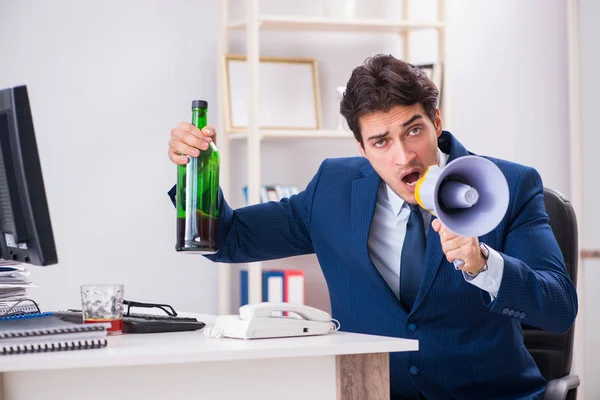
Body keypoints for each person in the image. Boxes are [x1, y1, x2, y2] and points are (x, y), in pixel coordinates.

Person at [167, 54, 577, 400]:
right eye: (381, 141)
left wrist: (483, 263)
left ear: (436, 120)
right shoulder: (333, 188)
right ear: (361, 148)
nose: (404, 157)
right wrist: (196, 172)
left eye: (413, 130)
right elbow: (228, 240)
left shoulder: (509, 185)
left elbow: (558, 309)